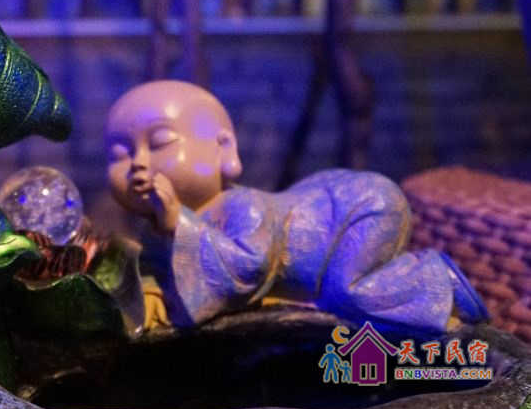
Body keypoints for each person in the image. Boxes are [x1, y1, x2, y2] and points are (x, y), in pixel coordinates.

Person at [106, 80, 488, 332]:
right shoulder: (158, 227)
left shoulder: (243, 207)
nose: (139, 163)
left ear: (224, 149)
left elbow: (248, 268)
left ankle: (440, 281)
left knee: (348, 294)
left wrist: (178, 222)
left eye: (160, 143)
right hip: (322, 197)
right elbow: (159, 275)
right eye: (120, 154)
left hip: (353, 211)